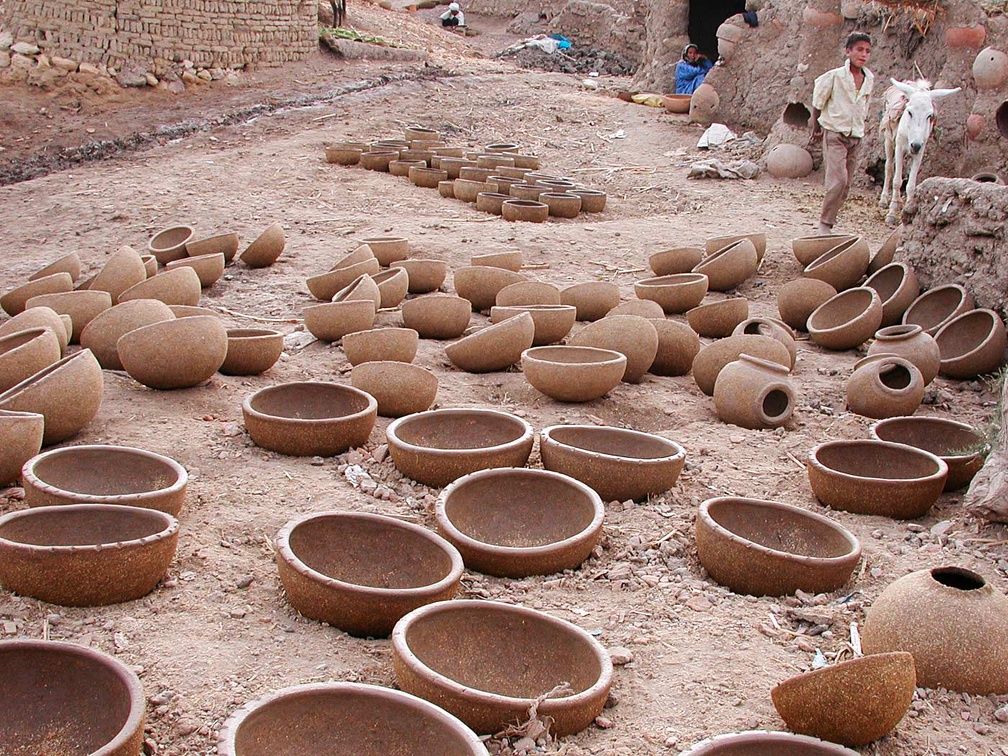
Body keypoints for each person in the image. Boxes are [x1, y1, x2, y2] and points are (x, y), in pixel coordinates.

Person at [810, 31, 875, 235]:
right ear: (848, 51)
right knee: (838, 180)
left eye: (867, 51)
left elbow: (864, 104)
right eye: (859, 50)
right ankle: (824, 223)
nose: (863, 55)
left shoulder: (868, 79)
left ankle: (830, 220)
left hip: (855, 136)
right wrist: (816, 128)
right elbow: (818, 102)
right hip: (835, 134)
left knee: (846, 185)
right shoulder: (835, 76)